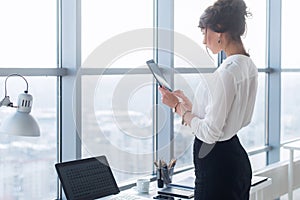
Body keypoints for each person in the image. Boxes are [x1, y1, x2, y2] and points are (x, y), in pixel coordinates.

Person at [159, 0, 258, 199]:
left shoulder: (227, 72)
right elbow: (228, 116)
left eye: (205, 32)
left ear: (219, 30)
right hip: (234, 158)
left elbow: (210, 133)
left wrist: (178, 107)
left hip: (217, 167)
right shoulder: (247, 65)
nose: (204, 41)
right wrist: (189, 106)